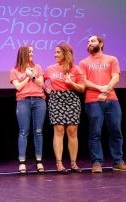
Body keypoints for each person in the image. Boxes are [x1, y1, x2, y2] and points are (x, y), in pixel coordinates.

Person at [79, 35, 126, 173]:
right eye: (88, 42)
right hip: (93, 101)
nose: (89, 43)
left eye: (92, 41)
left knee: (116, 131)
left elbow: (116, 77)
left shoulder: (112, 59)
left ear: (101, 43)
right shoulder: (83, 62)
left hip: (112, 99)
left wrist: (106, 90)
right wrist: (100, 88)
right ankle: (97, 162)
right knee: (95, 133)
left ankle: (118, 161)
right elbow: (84, 82)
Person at [44, 43, 85, 174]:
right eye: (55, 52)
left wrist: (71, 82)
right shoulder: (50, 69)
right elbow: (40, 81)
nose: (55, 55)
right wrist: (46, 89)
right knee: (59, 129)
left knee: (72, 130)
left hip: (72, 98)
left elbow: (82, 88)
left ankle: (73, 163)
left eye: (58, 52)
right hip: (56, 98)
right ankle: (59, 164)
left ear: (66, 54)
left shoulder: (76, 69)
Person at [9, 46, 47, 174]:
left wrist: (33, 76)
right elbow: (18, 87)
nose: (32, 53)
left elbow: (41, 84)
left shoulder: (38, 67)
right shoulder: (14, 70)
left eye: (32, 51)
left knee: (38, 131)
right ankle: (22, 162)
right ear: (23, 54)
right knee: (23, 131)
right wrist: (27, 76)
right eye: (29, 52)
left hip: (39, 101)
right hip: (23, 101)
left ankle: (39, 161)